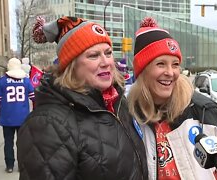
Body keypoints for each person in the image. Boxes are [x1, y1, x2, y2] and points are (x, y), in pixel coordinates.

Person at [17, 16, 148, 180]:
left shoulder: (118, 103)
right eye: (93, 55)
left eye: (108, 53)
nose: (106, 62)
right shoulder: (47, 123)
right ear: (72, 65)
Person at [127, 17, 217, 180]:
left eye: (175, 64)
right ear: (142, 71)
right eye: (161, 64)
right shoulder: (128, 116)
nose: (170, 72)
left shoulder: (203, 110)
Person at [0, 57, 35, 173]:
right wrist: (35, 111)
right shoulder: (26, 80)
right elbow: (34, 98)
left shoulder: (2, 81)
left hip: (7, 118)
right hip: (23, 118)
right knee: (22, 143)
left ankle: (9, 165)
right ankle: (21, 165)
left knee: (8, 142)